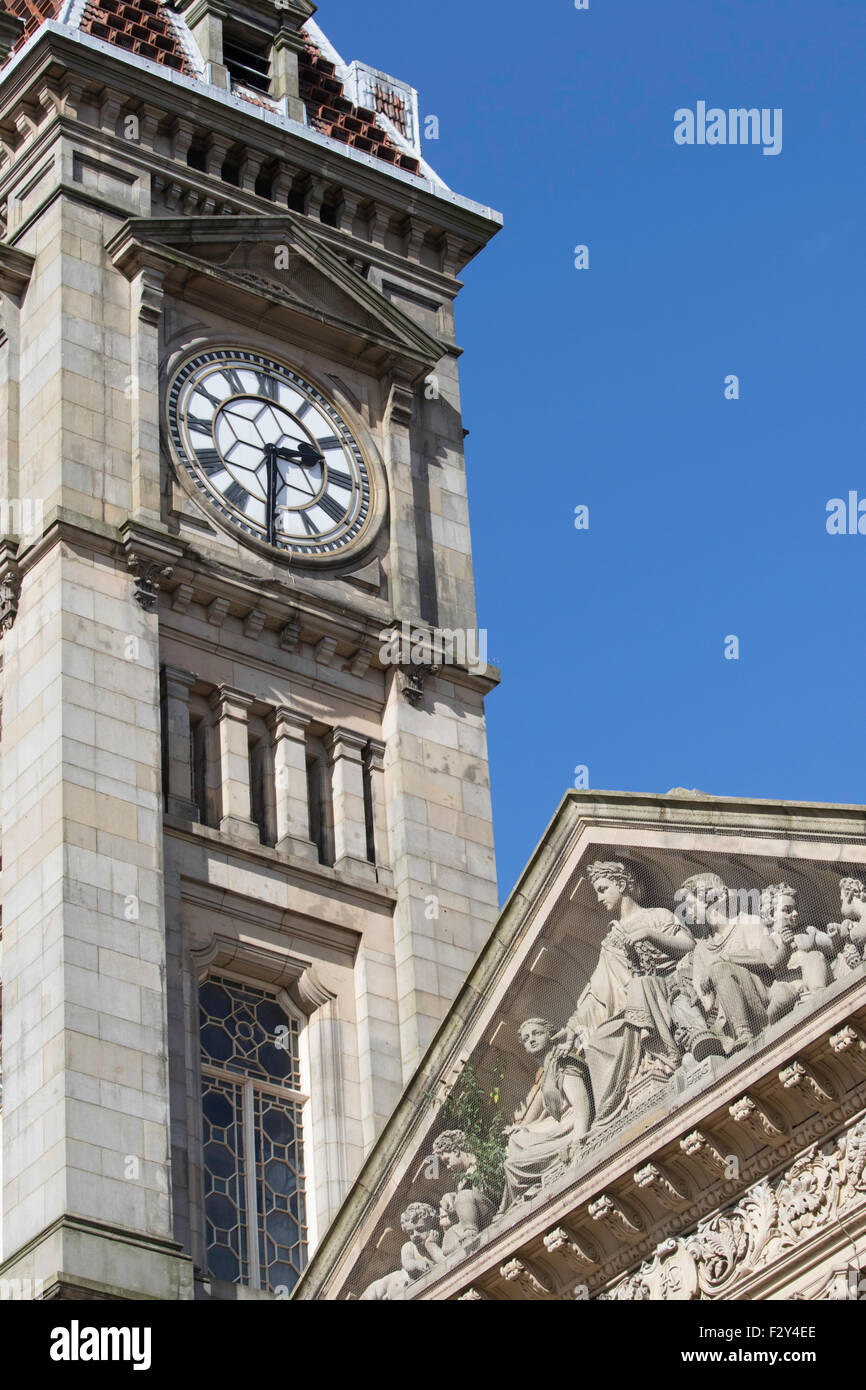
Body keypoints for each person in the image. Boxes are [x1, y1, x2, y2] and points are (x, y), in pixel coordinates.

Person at [556, 861, 694, 1123]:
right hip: (630, 1007)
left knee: (641, 987)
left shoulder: (657, 916)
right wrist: (573, 1025)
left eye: (603, 889)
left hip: (664, 987)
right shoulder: (610, 940)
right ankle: (619, 1103)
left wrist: (648, 934)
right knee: (599, 1041)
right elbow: (598, 990)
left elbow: (688, 945)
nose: (599, 898)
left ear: (621, 884)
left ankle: (663, 1061)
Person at [685, 873, 796, 1051]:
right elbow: (703, 996)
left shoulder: (747, 923)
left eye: (691, 905)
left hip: (759, 1001)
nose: (688, 911)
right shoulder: (700, 950)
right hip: (721, 1020)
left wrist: (727, 959)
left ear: (710, 900)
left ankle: (743, 1031)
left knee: (719, 968)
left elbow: (766, 959)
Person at [498, 1017, 593, 1211]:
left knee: (514, 1163)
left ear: (551, 1035)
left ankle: (519, 1203)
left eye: (537, 1033)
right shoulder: (548, 1069)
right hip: (562, 1127)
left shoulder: (562, 1061)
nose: (531, 1040)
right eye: (525, 1039)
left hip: (573, 1128)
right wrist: (524, 1128)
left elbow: (580, 1101)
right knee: (517, 1142)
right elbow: (552, 1117)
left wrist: (579, 1141)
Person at [359, 1202, 441, 1300]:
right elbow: (407, 1264)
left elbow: (444, 1262)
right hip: (395, 1282)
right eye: (411, 1232)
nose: (415, 1235)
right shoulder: (409, 1246)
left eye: (420, 1229)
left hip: (408, 1291)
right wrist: (416, 1264)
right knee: (372, 1293)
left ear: (433, 1226)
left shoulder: (437, 1245)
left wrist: (431, 1245)